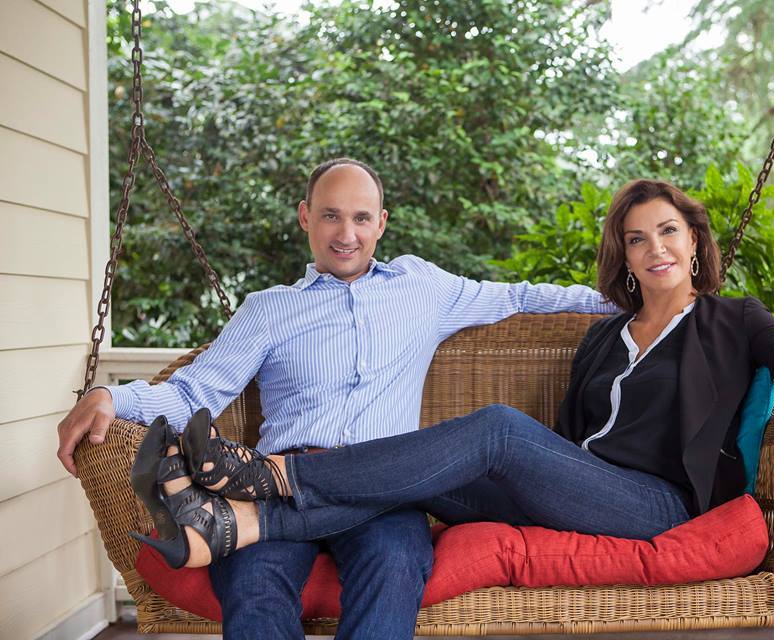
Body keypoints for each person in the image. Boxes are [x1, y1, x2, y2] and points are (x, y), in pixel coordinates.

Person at [131, 179, 774, 573]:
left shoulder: (732, 321)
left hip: (654, 504)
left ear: (695, 242)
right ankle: (229, 529)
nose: (656, 249)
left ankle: (268, 477)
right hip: (574, 489)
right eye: (637, 238)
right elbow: (565, 434)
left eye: (669, 232)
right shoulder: (604, 335)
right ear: (624, 256)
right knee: (416, 475)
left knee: (495, 428)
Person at [56, 158, 616, 640]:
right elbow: (194, 392)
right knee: (253, 584)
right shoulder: (269, 309)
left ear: (381, 223)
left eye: (361, 218)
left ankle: (228, 522)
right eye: (331, 215)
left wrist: (634, 300)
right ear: (306, 217)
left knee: (394, 563)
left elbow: (520, 296)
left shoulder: (425, 289)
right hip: (278, 479)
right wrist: (110, 396)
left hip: (385, 483)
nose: (346, 233)